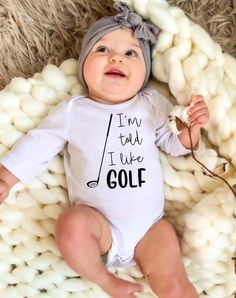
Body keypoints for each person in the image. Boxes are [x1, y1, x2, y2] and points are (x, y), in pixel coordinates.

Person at [0, 2, 209, 298]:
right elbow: (38, 144)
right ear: (84, 65)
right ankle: (105, 279)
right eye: (101, 50)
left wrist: (191, 129)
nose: (116, 58)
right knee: (70, 225)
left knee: (176, 285)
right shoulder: (74, 110)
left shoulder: (150, 104)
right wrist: (7, 178)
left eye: (130, 53)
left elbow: (174, 144)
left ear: (144, 73)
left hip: (151, 228)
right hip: (100, 226)